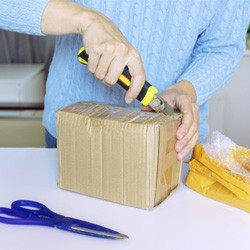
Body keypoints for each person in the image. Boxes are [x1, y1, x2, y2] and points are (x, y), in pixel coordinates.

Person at [0, 0, 249, 160]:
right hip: (72, 135)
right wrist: (86, 18)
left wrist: (187, 88)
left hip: (170, 142)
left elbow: (222, 47)